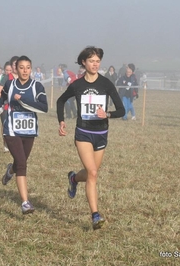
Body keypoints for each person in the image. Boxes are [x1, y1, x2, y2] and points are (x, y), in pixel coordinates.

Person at [56, 46, 125, 230]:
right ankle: (95, 215)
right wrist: (61, 121)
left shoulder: (106, 84)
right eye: (91, 61)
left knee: (90, 173)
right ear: (84, 63)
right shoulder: (77, 85)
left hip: (101, 134)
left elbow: (121, 110)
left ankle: (73, 179)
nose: (95, 64)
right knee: (93, 173)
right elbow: (60, 100)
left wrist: (107, 114)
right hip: (83, 133)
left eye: (97, 61)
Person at [0, 55, 48, 214]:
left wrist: (23, 101)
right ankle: (25, 202)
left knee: (20, 162)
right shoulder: (9, 84)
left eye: (27, 67)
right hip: (11, 129)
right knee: (22, 164)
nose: (24, 70)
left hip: (29, 131)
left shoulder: (37, 86)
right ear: (16, 68)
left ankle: (10, 171)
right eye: (21, 67)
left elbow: (44, 108)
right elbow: (2, 101)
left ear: (31, 69)